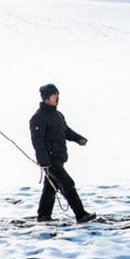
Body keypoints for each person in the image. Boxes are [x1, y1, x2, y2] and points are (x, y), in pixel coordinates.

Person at [30, 84, 96, 224]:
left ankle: (43, 216)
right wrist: (43, 160)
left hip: (59, 158)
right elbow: (37, 141)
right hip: (49, 160)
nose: (57, 98)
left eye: (57, 95)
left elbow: (66, 131)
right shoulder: (38, 117)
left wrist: (78, 138)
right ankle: (81, 215)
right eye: (54, 96)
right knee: (67, 184)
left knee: (50, 188)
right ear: (46, 98)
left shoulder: (57, 115)